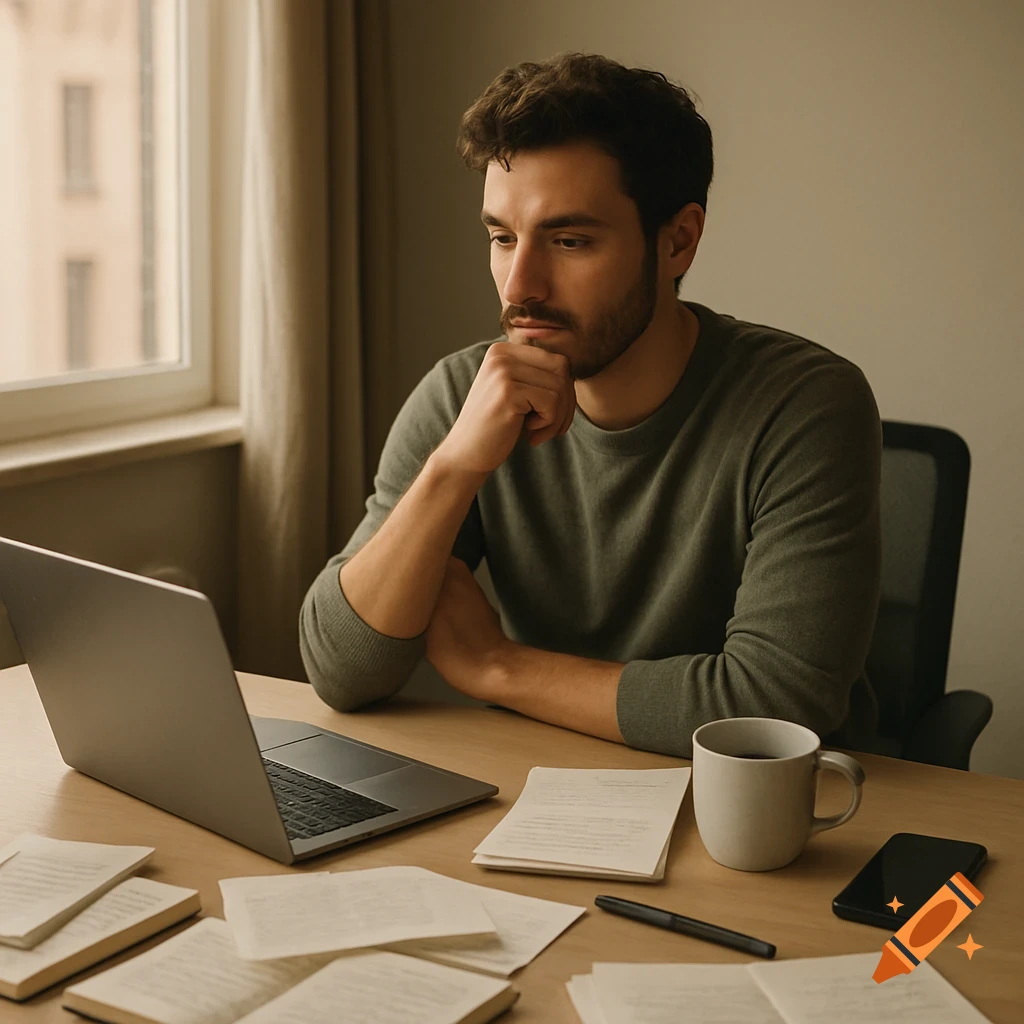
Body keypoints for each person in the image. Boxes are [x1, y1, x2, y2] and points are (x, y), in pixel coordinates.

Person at [299, 52, 882, 758]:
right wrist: (453, 467)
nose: (521, 285)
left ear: (678, 241)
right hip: (537, 800)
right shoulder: (465, 393)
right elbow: (340, 669)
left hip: (770, 823)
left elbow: (773, 707)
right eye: (501, 237)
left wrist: (498, 667)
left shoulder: (804, 406)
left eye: (569, 241)